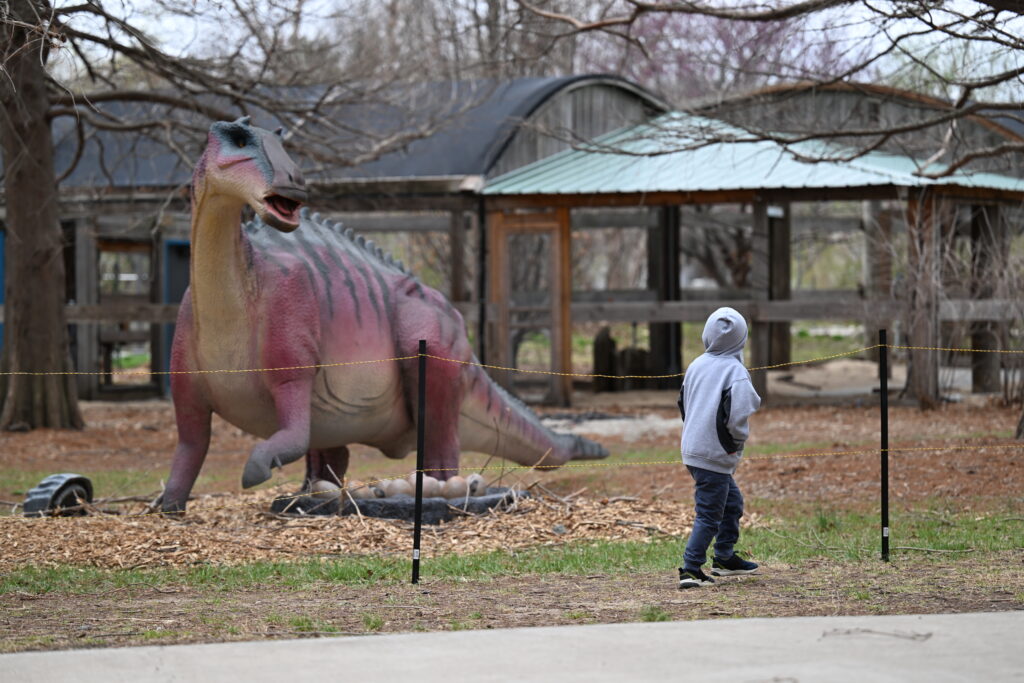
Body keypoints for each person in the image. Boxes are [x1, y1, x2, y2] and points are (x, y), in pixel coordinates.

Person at [676, 307, 761, 589]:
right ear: (742, 339)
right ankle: (690, 569)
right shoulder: (736, 372)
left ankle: (724, 558)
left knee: (731, 503)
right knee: (709, 514)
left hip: (693, 450)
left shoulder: (696, 365)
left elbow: (683, 404)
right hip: (715, 453)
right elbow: (738, 415)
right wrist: (735, 443)